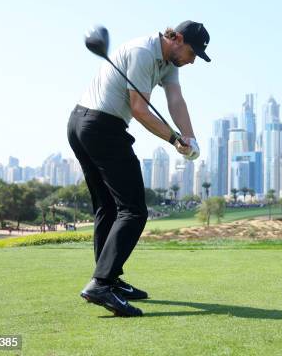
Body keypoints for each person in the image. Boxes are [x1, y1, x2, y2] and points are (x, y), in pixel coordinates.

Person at [68, 20, 210, 317]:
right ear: (177, 39)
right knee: (133, 210)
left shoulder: (169, 64)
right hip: (99, 126)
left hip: (85, 125)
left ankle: (109, 278)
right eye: (193, 53)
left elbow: (175, 100)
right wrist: (174, 139)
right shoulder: (143, 52)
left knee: (108, 206)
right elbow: (139, 109)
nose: (192, 60)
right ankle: (101, 283)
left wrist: (190, 137)